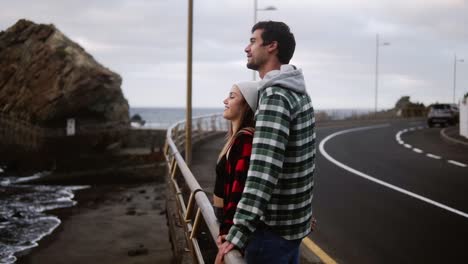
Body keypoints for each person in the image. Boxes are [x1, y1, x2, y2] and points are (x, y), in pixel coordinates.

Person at [219, 21, 316, 264]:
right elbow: (303, 164)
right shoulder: (299, 93)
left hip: (271, 231)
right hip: (291, 228)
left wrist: (238, 232)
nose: (246, 48)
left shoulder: (276, 96)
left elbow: (264, 171)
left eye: (253, 41)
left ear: (272, 46)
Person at [212, 81, 258, 264]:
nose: (225, 100)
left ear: (246, 104)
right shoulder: (236, 138)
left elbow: (238, 191)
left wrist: (227, 233)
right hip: (225, 219)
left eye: (232, 96)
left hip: (228, 222)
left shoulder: (245, 140)